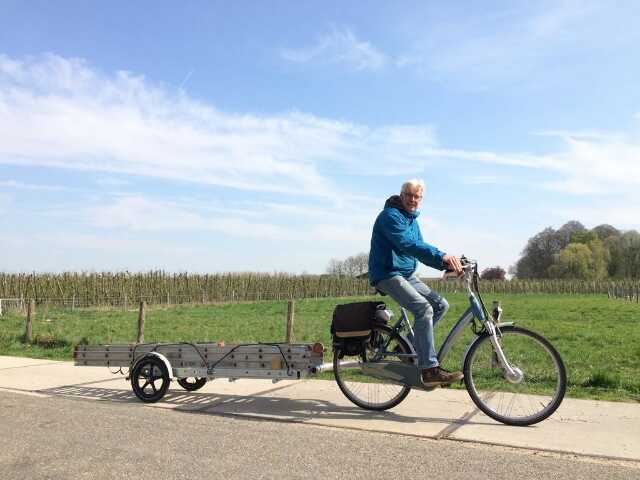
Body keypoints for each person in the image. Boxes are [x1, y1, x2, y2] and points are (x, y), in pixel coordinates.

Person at [368, 179, 464, 386]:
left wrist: (446, 264)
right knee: (423, 309)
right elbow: (408, 244)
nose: (412, 200)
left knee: (440, 305)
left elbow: (420, 249)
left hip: (406, 274)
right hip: (387, 273)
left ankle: (406, 349)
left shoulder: (412, 221)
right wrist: (442, 255)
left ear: (421, 199)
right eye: (409, 195)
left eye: (417, 196)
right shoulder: (389, 216)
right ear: (401, 195)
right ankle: (429, 369)